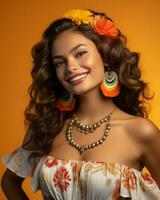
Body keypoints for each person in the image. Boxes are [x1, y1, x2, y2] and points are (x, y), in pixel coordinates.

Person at [1, 8, 160, 200]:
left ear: (105, 55)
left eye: (80, 53)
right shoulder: (46, 126)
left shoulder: (141, 131)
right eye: (59, 62)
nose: (71, 67)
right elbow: (8, 181)